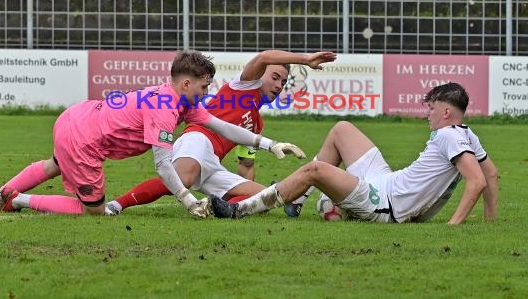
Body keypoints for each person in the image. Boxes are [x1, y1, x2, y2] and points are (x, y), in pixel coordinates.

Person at [0, 50, 306, 217]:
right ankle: (19, 199)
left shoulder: (179, 100)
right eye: (204, 85)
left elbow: (220, 125)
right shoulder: (165, 109)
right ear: (186, 83)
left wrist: (269, 144)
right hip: (84, 140)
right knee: (94, 212)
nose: (208, 91)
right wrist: (189, 201)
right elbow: (163, 166)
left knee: (52, 165)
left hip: (75, 116)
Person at [210, 82, 499, 225]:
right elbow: (492, 175)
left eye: (431, 109)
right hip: (386, 180)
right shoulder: (467, 134)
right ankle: (296, 200)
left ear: (447, 112)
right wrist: (489, 222)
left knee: (315, 171)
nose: (428, 115)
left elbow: (477, 181)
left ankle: (240, 209)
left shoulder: (449, 135)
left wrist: (453, 225)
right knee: (342, 128)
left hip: (385, 202)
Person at [104, 50, 337, 215]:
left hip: (213, 164)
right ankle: (116, 205)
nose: (278, 85)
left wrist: (250, 200)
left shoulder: (257, 123)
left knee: (263, 198)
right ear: (260, 75)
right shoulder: (244, 86)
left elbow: (246, 166)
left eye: (283, 82)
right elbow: (265, 57)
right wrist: (305, 59)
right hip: (197, 139)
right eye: (275, 77)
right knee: (182, 177)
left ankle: (213, 208)